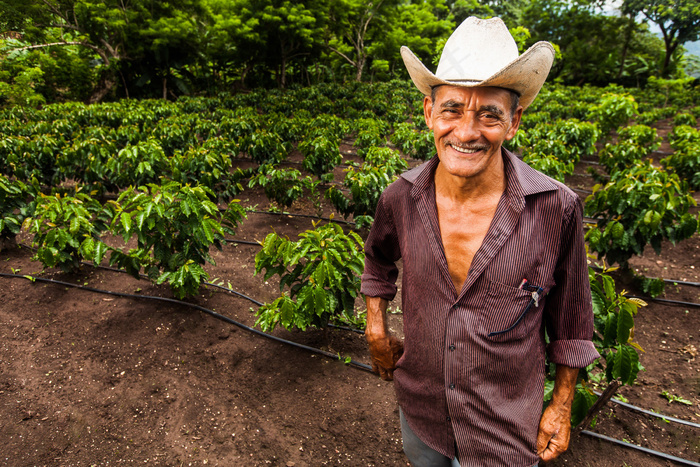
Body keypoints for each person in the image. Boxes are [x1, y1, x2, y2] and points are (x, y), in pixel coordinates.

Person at [361, 17, 600, 467]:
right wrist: (376, 323)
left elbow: (571, 320)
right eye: (452, 109)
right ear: (430, 113)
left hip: (504, 425)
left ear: (514, 122)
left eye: (489, 113)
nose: (467, 132)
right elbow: (377, 261)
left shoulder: (555, 207)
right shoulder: (400, 196)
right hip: (422, 409)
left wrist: (562, 405)